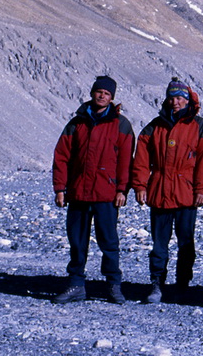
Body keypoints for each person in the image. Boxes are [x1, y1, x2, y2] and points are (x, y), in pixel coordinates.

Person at [132, 77, 203, 304]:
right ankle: (157, 284)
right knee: (159, 244)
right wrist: (140, 185)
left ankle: (182, 285)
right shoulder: (154, 126)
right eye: (172, 97)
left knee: (186, 243)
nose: (175, 102)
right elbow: (141, 158)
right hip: (159, 192)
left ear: (188, 100)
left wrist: (202, 189)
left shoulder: (199, 126)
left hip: (186, 194)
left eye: (180, 98)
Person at [51, 76, 135, 305]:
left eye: (106, 94)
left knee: (109, 241)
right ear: (92, 93)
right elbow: (61, 156)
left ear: (112, 98)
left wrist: (122, 190)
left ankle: (113, 285)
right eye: (98, 92)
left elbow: (126, 161)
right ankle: (76, 284)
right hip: (78, 192)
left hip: (106, 194)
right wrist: (60, 188)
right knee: (77, 241)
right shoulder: (77, 122)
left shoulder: (121, 124)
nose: (102, 96)